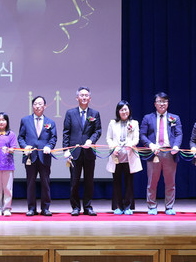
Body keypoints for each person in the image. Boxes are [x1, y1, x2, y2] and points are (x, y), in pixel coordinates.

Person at [139, 92, 182, 215]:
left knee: (170, 182)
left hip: (170, 152)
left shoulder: (175, 118)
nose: (162, 104)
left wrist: (176, 146)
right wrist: (150, 145)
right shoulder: (148, 118)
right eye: (159, 101)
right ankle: (152, 206)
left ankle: (169, 207)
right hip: (154, 153)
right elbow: (142, 135)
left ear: (168, 103)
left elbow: (179, 134)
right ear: (155, 104)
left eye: (164, 101)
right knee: (152, 182)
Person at [62, 86, 102, 216]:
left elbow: (98, 131)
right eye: (81, 95)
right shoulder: (70, 113)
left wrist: (91, 140)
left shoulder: (95, 114)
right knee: (74, 181)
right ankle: (75, 207)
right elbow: (66, 133)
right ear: (77, 98)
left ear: (90, 98)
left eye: (86, 95)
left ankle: (87, 207)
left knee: (89, 181)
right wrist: (66, 150)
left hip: (89, 152)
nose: (84, 97)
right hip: (75, 153)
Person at [18, 95, 57, 216]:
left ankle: (45, 208)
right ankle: (31, 208)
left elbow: (53, 138)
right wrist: (25, 147)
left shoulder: (50, 122)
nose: (38, 106)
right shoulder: (25, 120)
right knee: (30, 183)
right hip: (30, 157)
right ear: (32, 106)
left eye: (40, 104)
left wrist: (49, 146)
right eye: (35, 104)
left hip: (44, 156)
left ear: (45, 106)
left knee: (45, 183)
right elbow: (21, 137)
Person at [106, 100, 142, 215]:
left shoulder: (134, 123)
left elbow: (136, 139)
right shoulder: (112, 123)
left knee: (129, 182)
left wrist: (129, 145)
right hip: (116, 156)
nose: (124, 112)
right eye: (122, 110)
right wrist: (113, 147)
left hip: (129, 156)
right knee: (116, 182)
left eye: (126, 109)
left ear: (129, 110)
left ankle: (127, 206)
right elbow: (109, 138)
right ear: (118, 111)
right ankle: (118, 206)